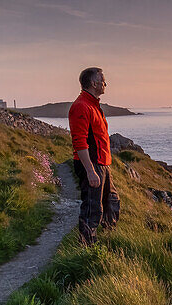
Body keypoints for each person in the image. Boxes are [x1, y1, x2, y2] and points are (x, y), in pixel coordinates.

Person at [69, 66, 120, 244]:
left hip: (102, 163)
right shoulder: (81, 107)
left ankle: (108, 239)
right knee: (92, 209)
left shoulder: (93, 105)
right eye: (103, 80)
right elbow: (79, 142)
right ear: (93, 83)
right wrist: (90, 171)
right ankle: (87, 249)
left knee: (112, 202)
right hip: (92, 164)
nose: (105, 84)